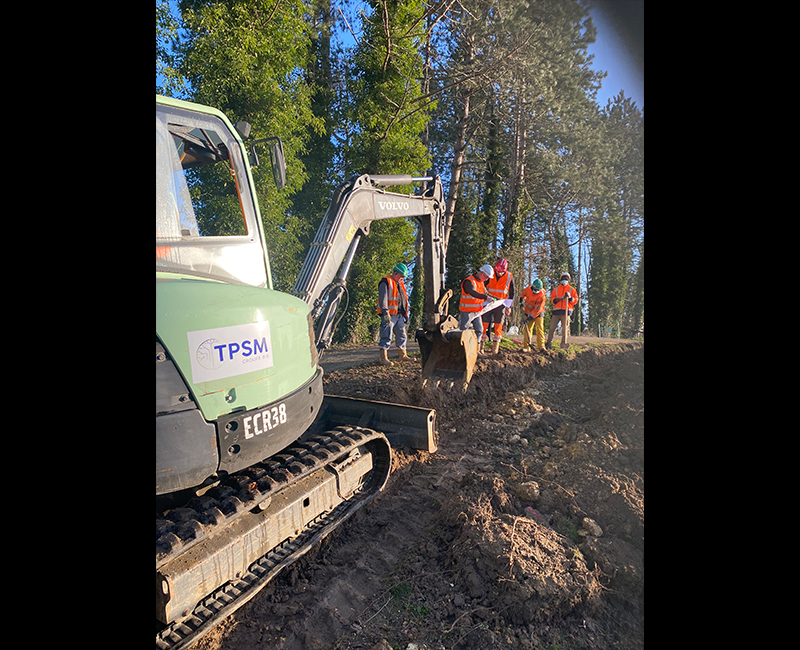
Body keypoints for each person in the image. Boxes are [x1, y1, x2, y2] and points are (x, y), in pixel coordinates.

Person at [377, 263, 411, 366]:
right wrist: (385, 312)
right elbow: (383, 298)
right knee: (386, 335)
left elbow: (404, 299)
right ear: (395, 273)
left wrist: (405, 314)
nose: (402, 279)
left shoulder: (400, 284)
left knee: (402, 334)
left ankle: (403, 355)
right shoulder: (386, 282)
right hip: (389, 314)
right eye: (401, 276)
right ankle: (384, 358)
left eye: (403, 277)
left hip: (400, 314)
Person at [459, 264, 495, 358]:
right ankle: (462, 351)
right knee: (464, 331)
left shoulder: (481, 283)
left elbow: (485, 293)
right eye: (486, 277)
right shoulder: (469, 281)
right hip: (466, 311)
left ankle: (476, 351)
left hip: (477, 311)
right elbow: (473, 293)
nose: (487, 279)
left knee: (479, 330)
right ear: (482, 273)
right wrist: (485, 297)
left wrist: (497, 299)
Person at [481, 258, 515, 355]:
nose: (499, 273)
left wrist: (509, 306)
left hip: (501, 304)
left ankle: (495, 350)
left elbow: (512, 293)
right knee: (484, 324)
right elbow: (483, 285)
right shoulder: (491, 274)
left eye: (501, 272)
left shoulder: (509, 276)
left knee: (498, 326)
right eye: (497, 271)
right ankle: (481, 347)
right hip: (488, 302)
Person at [546, 272, 579, 351]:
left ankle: (563, 344)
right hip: (556, 312)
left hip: (566, 312)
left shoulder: (572, 290)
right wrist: (561, 298)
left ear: (569, 280)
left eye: (566, 279)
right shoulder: (556, 289)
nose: (564, 280)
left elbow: (576, 300)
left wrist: (570, 298)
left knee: (565, 329)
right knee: (552, 328)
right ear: (561, 279)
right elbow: (552, 300)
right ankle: (548, 343)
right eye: (563, 278)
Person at [519, 279, 547, 352]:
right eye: (534, 289)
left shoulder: (542, 296)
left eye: (537, 290)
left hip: (538, 313)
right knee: (528, 329)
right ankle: (526, 347)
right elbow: (523, 293)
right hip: (528, 311)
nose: (535, 291)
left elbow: (537, 309)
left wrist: (530, 318)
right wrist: (522, 298)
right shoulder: (528, 289)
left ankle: (541, 347)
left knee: (539, 329)